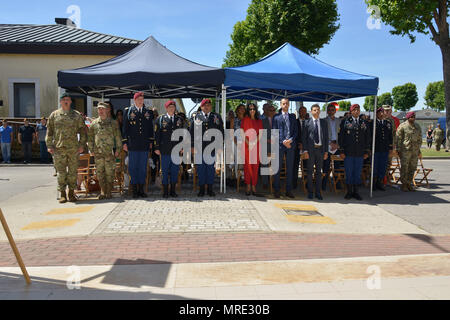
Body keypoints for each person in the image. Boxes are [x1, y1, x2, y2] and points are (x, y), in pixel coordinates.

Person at [46, 93, 87, 203]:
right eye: (64, 99)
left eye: (68, 99)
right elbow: (49, 132)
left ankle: (71, 193)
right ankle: (63, 193)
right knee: (61, 172)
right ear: (60, 101)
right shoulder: (54, 115)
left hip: (73, 149)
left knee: (73, 172)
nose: (66, 101)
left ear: (70, 102)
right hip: (59, 148)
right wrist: (49, 145)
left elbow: (83, 132)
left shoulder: (76, 115)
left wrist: (81, 145)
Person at [122, 91, 154, 198]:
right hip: (133, 144)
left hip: (144, 144)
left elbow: (150, 128)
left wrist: (150, 141)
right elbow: (125, 128)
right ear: (135, 100)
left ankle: (141, 189)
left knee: (142, 167)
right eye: (139, 99)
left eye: (142, 99)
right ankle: (135, 190)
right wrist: (125, 142)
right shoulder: (129, 111)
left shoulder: (147, 112)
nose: (141, 101)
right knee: (133, 167)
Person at [88, 102, 122, 199]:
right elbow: (90, 138)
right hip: (98, 153)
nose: (101, 111)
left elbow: (118, 137)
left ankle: (109, 191)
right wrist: (91, 149)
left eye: (102, 109)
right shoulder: (94, 123)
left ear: (107, 110)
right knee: (100, 173)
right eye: (99, 109)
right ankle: (103, 191)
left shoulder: (113, 123)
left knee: (110, 173)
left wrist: (118, 149)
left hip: (109, 153)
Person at [190, 98, 224, 197]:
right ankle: (201, 189)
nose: (206, 107)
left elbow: (221, 131)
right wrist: (192, 146)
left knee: (210, 169)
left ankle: (210, 189)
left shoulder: (216, 117)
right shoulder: (196, 117)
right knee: (200, 169)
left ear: (211, 107)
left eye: (208, 105)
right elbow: (191, 132)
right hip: (199, 148)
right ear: (201, 107)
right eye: (204, 105)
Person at [338, 104, 370, 200]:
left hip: (360, 153)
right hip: (348, 153)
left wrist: (366, 151)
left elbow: (367, 138)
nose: (356, 111)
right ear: (351, 111)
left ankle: (356, 192)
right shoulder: (345, 121)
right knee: (349, 172)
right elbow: (341, 137)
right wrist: (342, 151)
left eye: (358, 110)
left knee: (357, 173)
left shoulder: (364, 122)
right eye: (354, 110)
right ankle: (349, 191)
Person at [154, 100, 184, 198]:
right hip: (165, 149)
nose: (171, 108)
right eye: (169, 107)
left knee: (175, 170)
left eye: (173, 107)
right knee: (165, 171)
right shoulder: (160, 119)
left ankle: (173, 191)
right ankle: (165, 191)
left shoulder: (179, 119)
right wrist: (157, 147)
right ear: (166, 108)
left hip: (176, 149)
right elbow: (157, 134)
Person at [272, 98, 298, 198]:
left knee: (290, 168)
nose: (285, 105)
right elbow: (275, 131)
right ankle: (277, 190)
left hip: (291, 145)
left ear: (289, 104)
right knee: (277, 169)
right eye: (284, 103)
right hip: (280, 145)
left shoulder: (292, 117)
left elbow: (296, 131)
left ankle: (288, 190)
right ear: (281, 105)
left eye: (287, 103)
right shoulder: (276, 117)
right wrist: (283, 141)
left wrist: (290, 140)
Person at [302, 104, 329, 200]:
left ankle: (318, 192)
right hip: (310, 150)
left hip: (320, 150)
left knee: (318, 172)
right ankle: (310, 192)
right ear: (311, 111)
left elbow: (326, 138)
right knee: (309, 172)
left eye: (318, 110)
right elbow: (304, 138)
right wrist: (305, 151)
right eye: (314, 110)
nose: (316, 111)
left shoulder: (324, 123)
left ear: (320, 111)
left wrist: (326, 151)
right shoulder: (306, 123)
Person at [396, 112, 422, 191]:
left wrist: (419, 150)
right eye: (412, 117)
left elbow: (419, 139)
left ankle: (409, 183)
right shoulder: (403, 126)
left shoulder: (417, 126)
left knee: (412, 167)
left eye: (414, 117)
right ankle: (403, 184)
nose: (413, 118)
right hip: (405, 150)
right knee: (405, 168)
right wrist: (398, 149)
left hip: (415, 151)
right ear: (408, 117)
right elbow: (398, 139)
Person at [241, 103, 263, 196]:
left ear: (256, 110)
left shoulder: (259, 121)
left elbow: (261, 133)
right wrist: (249, 143)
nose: (252, 110)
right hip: (246, 146)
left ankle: (254, 185)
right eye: (250, 109)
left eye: (253, 109)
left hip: (256, 146)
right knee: (247, 167)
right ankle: (248, 185)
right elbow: (242, 133)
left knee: (255, 167)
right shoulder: (245, 120)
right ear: (248, 110)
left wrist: (254, 143)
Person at [370, 107, 393, 191]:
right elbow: (369, 136)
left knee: (383, 166)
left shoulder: (388, 123)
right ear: (376, 114)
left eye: (383, 112)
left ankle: (379, 183)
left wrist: (390, 147)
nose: (382, 114)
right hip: (375, 149)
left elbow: (390, 136)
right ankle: (373, 184)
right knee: (375, 166)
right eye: (380, 112)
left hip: (385, 148)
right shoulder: (372, 123)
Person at [323, 103, 342, 191]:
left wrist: (337, 145)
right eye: (329, 110)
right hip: (328, 146)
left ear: (335, 111)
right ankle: (324, 183)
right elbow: (322, 134)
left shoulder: (339, 121)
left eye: (333, 110)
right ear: (327, 111)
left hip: (337, 146)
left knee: (337, 166)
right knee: (326, 166)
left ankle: (337, 183)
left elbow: (342, 134)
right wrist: (330, 143)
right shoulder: (323, 121)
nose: (331, 111)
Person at [260, 103, 276, 190]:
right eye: (270, 110)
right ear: (266, 111)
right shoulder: (262, 120)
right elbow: (259, 133)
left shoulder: (277, 120)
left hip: (275, 146)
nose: (272, 112)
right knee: (265, 164)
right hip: (265, 145)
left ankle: (273, 182)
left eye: (274, 110)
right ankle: (265, 183)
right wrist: (266, 140)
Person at [292, 106, 307, 190]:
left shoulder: (309, 122)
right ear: (299, 112)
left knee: (306, 166)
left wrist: (304, 145)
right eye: (301, 111)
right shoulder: (295, 122)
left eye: (304, 111)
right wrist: (299, 143)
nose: (303, 113)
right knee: (295, 166)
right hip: (296, 147)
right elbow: (293, 133)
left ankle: (306, 184)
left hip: (306, 148)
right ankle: (294, 183)